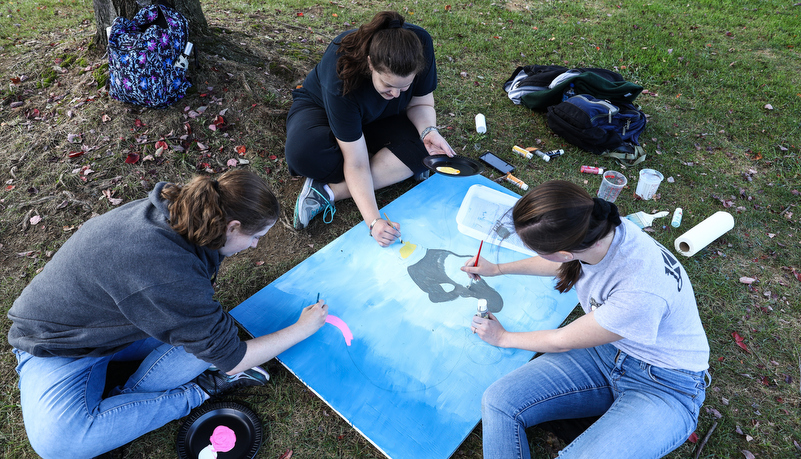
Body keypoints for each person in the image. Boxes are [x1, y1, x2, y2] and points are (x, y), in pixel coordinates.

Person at [8, 170, 329, 458]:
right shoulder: (169, 273)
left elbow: (210, 331)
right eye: (256, 236)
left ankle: (127, 401)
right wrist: (303, 328)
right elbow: (235, 357)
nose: (256, 246)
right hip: (56, 348)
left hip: (122, 325)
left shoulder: (180, 213)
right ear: (233, 226)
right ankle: (202, 390)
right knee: (59, 444)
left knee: (214, 338)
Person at [461, 180, 710, 459]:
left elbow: (560, 340)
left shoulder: (639, 291)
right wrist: (497, 268)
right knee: (499, 402)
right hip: (607, 353)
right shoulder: (598, 228)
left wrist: (503, 338)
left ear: (567, 251)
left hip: (665, 386)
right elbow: (562, 263)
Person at [285, 10, 455, 246]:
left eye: (403, 87)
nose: (395, 94)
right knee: (305, 153)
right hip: (321, 110)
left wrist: (428, 131)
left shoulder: (419, 45)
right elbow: (356, 162)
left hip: (383, 118)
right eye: (388, 86)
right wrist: (374, 221)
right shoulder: (341, 73)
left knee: (426, 149)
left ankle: (329, 192)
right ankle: (391, 165)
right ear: (370, 64)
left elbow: (421, 103)